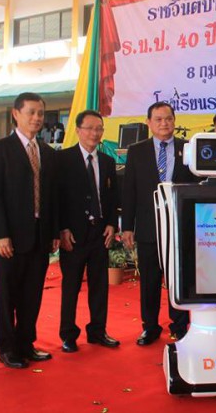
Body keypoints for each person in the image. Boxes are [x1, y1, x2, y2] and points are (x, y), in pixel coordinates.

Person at [0, 92, 60, 369]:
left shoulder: (48, 153)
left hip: (40, 236)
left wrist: (53, 232)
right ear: (16, 114)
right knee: (9, 295)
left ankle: (26, 343)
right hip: (10, 238)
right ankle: (7, 348)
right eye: (31, 112)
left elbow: (52, 197)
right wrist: (0, 234)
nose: (37, 118)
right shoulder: (0, 149)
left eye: (41, 113)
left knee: (32, 294)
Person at [122, 101, 196, 346]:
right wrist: (128, 227)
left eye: (168, 119)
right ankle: (150, 327)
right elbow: (129, 191)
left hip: (180, 227)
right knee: (150, 280)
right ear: (149, 123)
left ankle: (179, 326)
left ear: (174, 121)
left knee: (178, 279)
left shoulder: (188, 149)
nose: (164, 123)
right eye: (159, 119)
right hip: (148, 226)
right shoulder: (137, 151)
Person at [56, 109, 121, 353]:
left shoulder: (107, 161)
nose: (95, 133)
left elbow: (112, 197)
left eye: (99, 129)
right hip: (73, 235)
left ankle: (98, 331)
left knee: (100, 286)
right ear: (78, 130)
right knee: (71, 287)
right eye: (90, 128)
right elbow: (56, 198)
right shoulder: (63, 159)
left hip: (99, 233)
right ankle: (68, 334)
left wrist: (112, 223)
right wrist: (62, 228)